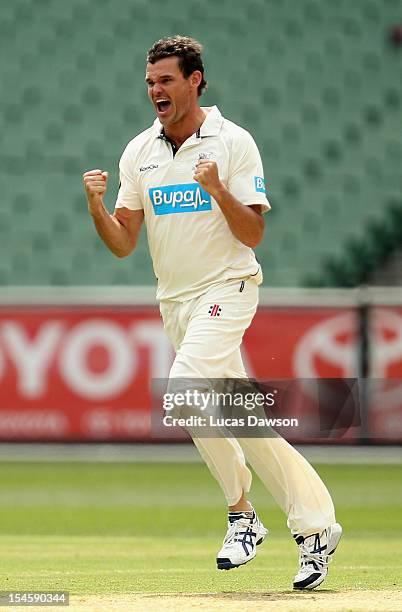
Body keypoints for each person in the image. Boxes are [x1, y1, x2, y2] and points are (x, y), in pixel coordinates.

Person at [83, 35, 342, 590]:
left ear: (195, 79)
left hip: (229, 286)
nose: (156, 90)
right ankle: (317, 527)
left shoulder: (233, 142)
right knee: (242, 418)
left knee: (184, 390)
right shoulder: (139, 152)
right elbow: (125, 242)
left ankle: (241, 513)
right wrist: (96, 207)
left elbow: (254, 231)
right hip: (176, 302)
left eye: (166, 80)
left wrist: (217, 189)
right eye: (150, 81)